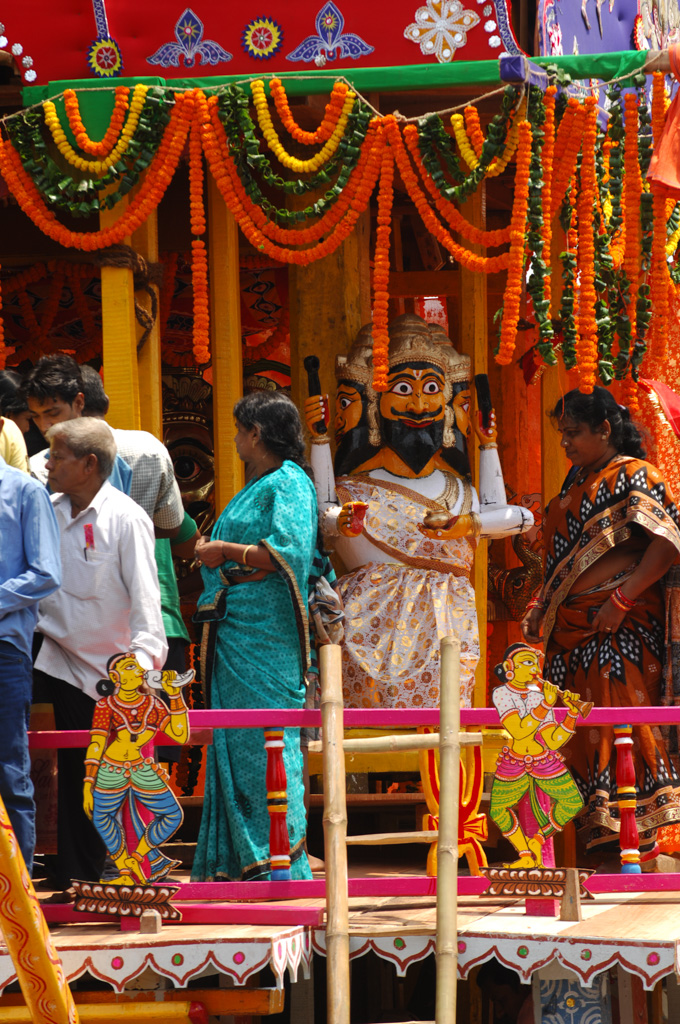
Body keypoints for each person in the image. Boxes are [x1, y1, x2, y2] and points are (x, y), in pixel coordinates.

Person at [305, 313, 533, 709]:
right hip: (368, 633)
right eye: (404, 388)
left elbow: (515, 518)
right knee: (364, 745)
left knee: (442, 740)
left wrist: (488, 445)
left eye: (431, 389)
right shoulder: (354, 490)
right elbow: (323, 514)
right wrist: (321, 440)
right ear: (376, 402)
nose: (419, 403)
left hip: (447, 635)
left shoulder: (459, 492)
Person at [521, 386, 680, 862]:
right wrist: (541, 606)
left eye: (572, 433)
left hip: (620, 630)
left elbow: (669, 543)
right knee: (581, 734)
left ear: (605, 429)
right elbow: (558, 564)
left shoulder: (635, 476)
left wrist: (621, 599)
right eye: (561, 433)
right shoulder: (573, 486)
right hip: (570, 635)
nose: (565, 443)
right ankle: (599, 850)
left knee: (623, 728)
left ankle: (638, 848)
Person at [33, 417, 167, 891]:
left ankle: (91, 874)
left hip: (108, 669)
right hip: (52, 653)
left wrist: (143, 674)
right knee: (62, 763)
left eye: (56, 456)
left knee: (90, 776)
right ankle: (65, 872)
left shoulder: (126, 518)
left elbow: (147, 604)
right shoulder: (45, 510)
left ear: (89, 464)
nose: (47, 463)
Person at [191, 391, 318, 882]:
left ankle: (279, 859)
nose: (236, 439)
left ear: (256, 433)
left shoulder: (289, 483)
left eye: (239, 429)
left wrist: (224, 548)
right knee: (238, 739)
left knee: (269, 736)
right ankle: (238, 861)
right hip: (236, 628)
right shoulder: (261, 484)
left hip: (266, 632)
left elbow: (288, 553)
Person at [0, 419, 61, 872]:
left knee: (9, 768)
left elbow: (46, 573)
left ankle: (18, 895)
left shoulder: (23, 491)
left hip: (4, 647)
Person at [84, 653, 189, 885]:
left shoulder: (153, 704)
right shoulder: (106, 705)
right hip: (111, 769)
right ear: (115, 676)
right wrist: (88, 783)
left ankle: (138, 857)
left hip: (141, 769)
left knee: (173, 815)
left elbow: (179, 734)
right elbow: (96, 744)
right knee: (102, 818)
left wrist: (174, 695)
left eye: (138, 666)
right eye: (130, 666)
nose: (138, 670)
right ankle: (123, 870)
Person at [489, 643, 587, 868]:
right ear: (509, 666)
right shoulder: (501, 693)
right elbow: (518, 730)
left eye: (535, 663)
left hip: (544, 761)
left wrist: (571, 714)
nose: (533, 668)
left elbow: (553, 740)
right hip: (514, 762)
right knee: (498, 810)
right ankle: (524, 855)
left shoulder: (538, 695)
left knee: (573, 802)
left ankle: (538, 840)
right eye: (526, 662)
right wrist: (545, 705)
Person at [22, 355, 132, 495]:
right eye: (35, 416)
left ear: (79, 403)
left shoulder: (106, 460)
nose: (44, 426)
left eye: (53, 413)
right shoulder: (41, 465)